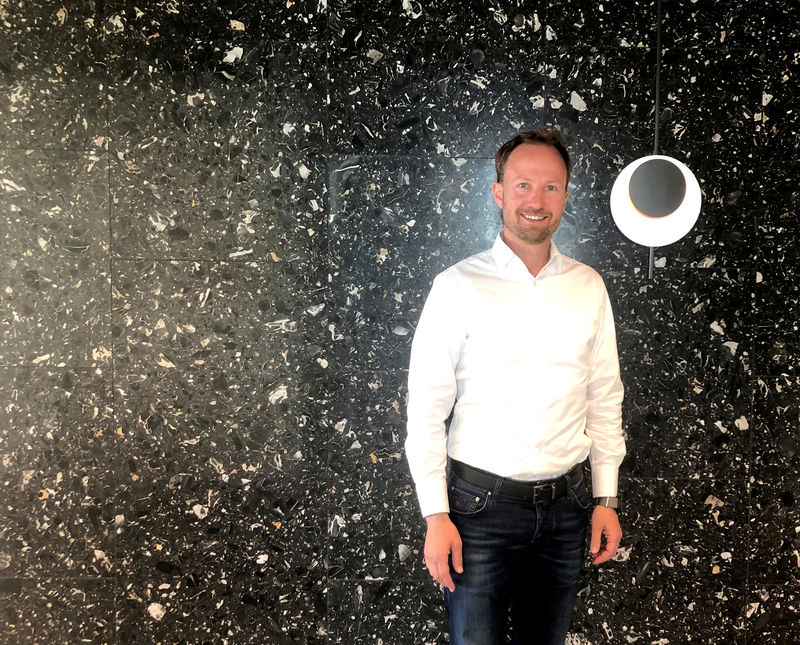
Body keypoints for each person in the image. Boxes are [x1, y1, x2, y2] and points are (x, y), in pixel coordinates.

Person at [405, 128, 625, 645]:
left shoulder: (588, 286)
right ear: (499, 191)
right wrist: (435, 514)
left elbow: (604, 395)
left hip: (568, 510)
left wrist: (606, 498)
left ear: (566, 196)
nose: (536, 201)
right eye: (524, 184)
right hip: (478, 512)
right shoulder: (457, 286)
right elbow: (427, 409)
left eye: (551, 187)